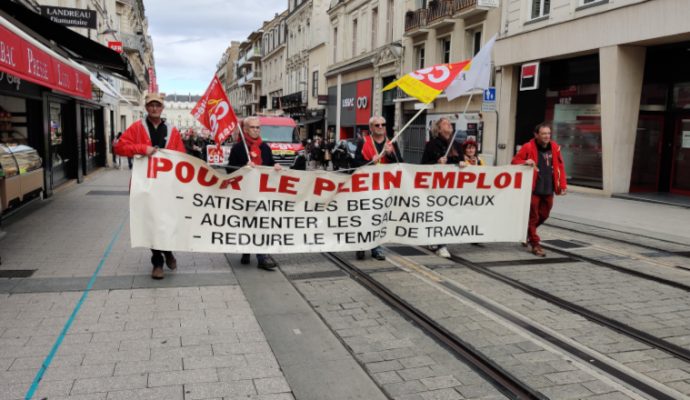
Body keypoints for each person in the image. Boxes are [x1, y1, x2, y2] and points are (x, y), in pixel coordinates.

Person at [114, 93, 186, 279]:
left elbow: (181, 156)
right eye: (151, 105)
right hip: (144, 185)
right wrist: (141, 149)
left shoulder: (172, 130)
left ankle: (168, 251)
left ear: (162, 108)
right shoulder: (137, 127)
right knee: (151, 223)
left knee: (166, 222)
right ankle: (157, 262)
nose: (154, 108)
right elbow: (119, 148)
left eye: (158, 105)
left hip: (167, 185)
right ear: (146, 107)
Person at [227, 116, 282, 270]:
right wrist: (244, 167)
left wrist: (275, 166)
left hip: (262, 194)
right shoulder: (238, 148)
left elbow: (270, 164)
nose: (256, 130)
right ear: (245, 129)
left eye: (258, 127)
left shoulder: (265, 148)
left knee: (261, 224)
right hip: (245, 194)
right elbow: (229, 169)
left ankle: (262, 257)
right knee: (247, 223)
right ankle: (246, 250)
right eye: (252, 127)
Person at [512, 122, 567, 257]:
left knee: (544, 215)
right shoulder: (528, 146)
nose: (547, 136)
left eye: (548, 133)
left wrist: (563, 185)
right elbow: (514, 162)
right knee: (533, 216)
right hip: (533, 189)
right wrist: (525, 162)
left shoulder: (555, 147)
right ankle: (535, 244)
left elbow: (560, 167)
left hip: (549, 188)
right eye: (543, 134)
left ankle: (526, 233)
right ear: (536, 135)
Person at [354, 115, 403, 261]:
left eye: (383, 124)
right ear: (371, 128)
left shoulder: (391, 143)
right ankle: (361, 245)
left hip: (384, 188)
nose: (381, 127)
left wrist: (391, 154)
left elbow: (401, 163)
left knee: (379, 218)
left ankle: (376, 247)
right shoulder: (364, 142)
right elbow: (355, 163)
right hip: (367, 187)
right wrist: (370, 161)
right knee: (365, 216)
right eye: (377, 125)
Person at [420, 117, 462, 258]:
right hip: (436, 188)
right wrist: (436, 162)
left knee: (447, 215)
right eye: (445, 123)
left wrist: (461, 163)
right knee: (438, 215)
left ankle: (438, 241)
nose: (449, 125)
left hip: (452, 187)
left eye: (450, 123)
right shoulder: (432, 145)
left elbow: (460, 159)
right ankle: (440, 244)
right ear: (438, 129)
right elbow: (424, 165)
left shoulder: (455, 144)